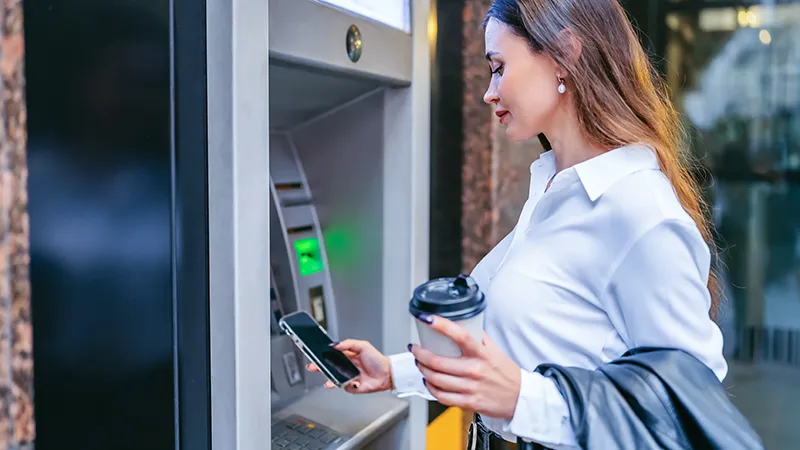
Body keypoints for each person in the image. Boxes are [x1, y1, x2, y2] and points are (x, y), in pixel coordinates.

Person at [307, 0, 727, 448]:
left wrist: (522, 399)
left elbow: (687, 409)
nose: (489, 92)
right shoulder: (555, 188)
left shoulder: (638, 209)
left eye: (498, 67)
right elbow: (520, 349)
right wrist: (393, 371)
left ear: (565, 53)